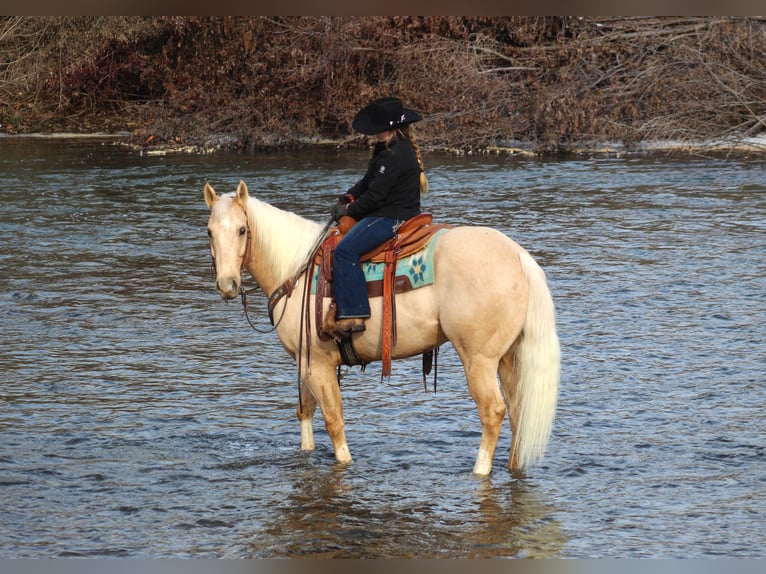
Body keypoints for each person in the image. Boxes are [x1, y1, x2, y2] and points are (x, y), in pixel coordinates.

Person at [323, 96, 429, 337]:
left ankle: (354, 314)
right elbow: (368, 182)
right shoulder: (386, 148)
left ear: (390, 127)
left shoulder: (395, 155)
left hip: (393, 217)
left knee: (345, 252)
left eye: (379, 129)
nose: (376, 133)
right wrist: (348, 196)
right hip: (388, 211)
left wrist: (349, 211)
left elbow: (376, 197)